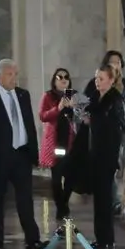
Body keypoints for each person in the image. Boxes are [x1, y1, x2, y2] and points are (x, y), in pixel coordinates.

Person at [0, 59, 44, 249]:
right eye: (10, 74)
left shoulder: (23, 95)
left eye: (16, 74)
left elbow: (29, 125)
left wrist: (34, 154)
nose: (14, 78)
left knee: (25, 199)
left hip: (21, 155)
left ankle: (33, 239)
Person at [78, 64, 125, 249]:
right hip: (96, 154)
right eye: (96, 78)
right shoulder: (97, 98)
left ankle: (106, 238)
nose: (97, 82)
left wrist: (94, 119)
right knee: (99, 200)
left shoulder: (115, 99)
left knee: (104, 200)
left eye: (101, 79)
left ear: (111, 79)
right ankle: (102, 237)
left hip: (107, 155)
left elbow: (117, 128)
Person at [39, 68, 79, 224]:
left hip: (71, 142)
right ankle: (61, 208)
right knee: (56, 177)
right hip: (56, 141)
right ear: (54, 80)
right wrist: (59, 107)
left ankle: (64, 204)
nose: (63, 80)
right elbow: (43, 116)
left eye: (66, 77)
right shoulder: (48, 96)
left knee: (71, 176)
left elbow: (82, 116)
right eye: (59, 77)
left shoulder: (73, 94)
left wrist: (76, 108)